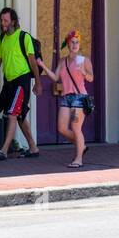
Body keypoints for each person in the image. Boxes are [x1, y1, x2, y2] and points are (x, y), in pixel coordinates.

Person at [0, 7, 44, 160]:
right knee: (20, 115)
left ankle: (4, 150)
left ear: (13, 21)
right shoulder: (2, 39)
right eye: (1, 20)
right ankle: (33, 147)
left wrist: (38, 83)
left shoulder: (24, 37)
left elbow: (32, 62)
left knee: (12, 114)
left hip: (21, 81)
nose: (2, 23)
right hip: (8, 82)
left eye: (5, 20)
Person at [43, 30, 94, 168]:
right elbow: (55, 77)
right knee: (62, 128)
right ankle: (81, 145)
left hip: (79, 98)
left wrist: (84, 72)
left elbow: (91, 78)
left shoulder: (84, 60)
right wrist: (42, 65)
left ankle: (78, 159)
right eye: (72, 42)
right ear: (68, 44)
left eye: (77, 42)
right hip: (66, 97)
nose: (75, 45)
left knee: (76, 127)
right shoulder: (63, 61)